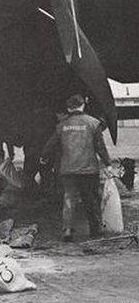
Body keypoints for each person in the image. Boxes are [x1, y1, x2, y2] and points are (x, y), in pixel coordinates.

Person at [41, 94, 112, 241]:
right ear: (83, 105)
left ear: (68, 108)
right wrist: (108, 164)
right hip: (89, 169)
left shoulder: (62, 125)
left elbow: (51, 144)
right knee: (91, 198)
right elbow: (100, 147)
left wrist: (44, 157)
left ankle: (67, 230)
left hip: (68, 169)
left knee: (69, 199)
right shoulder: (93, 123)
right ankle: (95, 230)